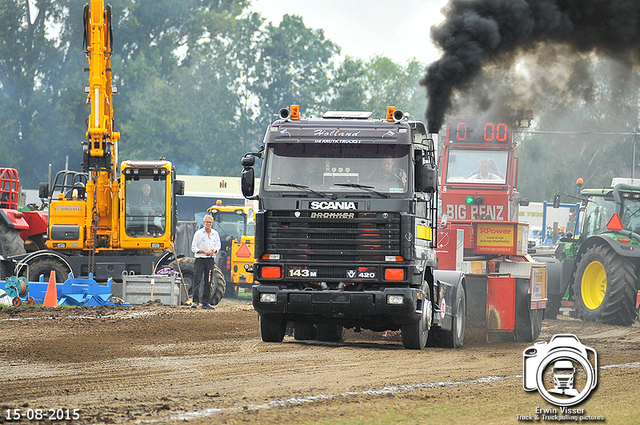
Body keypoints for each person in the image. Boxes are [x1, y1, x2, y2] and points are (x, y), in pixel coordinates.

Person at [190, 214, 221, 310]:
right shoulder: (199, 233)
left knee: (208, 281)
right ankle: (195, 301)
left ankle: (206, 302)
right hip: (200, 259)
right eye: (207, 222)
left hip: (210, 260)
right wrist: (204, 252)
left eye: (210, 222)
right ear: (204, 223)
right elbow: (194, 247)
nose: (209, 224)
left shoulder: (215, 233)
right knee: (197, 279)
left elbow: (218, 245)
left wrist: (214, 251)